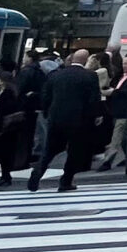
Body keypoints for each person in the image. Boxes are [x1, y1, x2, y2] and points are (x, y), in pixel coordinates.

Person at [28, 49, 104, 192]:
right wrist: (96, 115)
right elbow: (93, 99)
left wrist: (46, 111)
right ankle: (66, 181)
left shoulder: (56, 75)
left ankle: (38, 171)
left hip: (56, 116)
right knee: (74, 151)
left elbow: (46, 95)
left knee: (50, 148)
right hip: (79, 119)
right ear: (86, 60)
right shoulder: (90, 76)